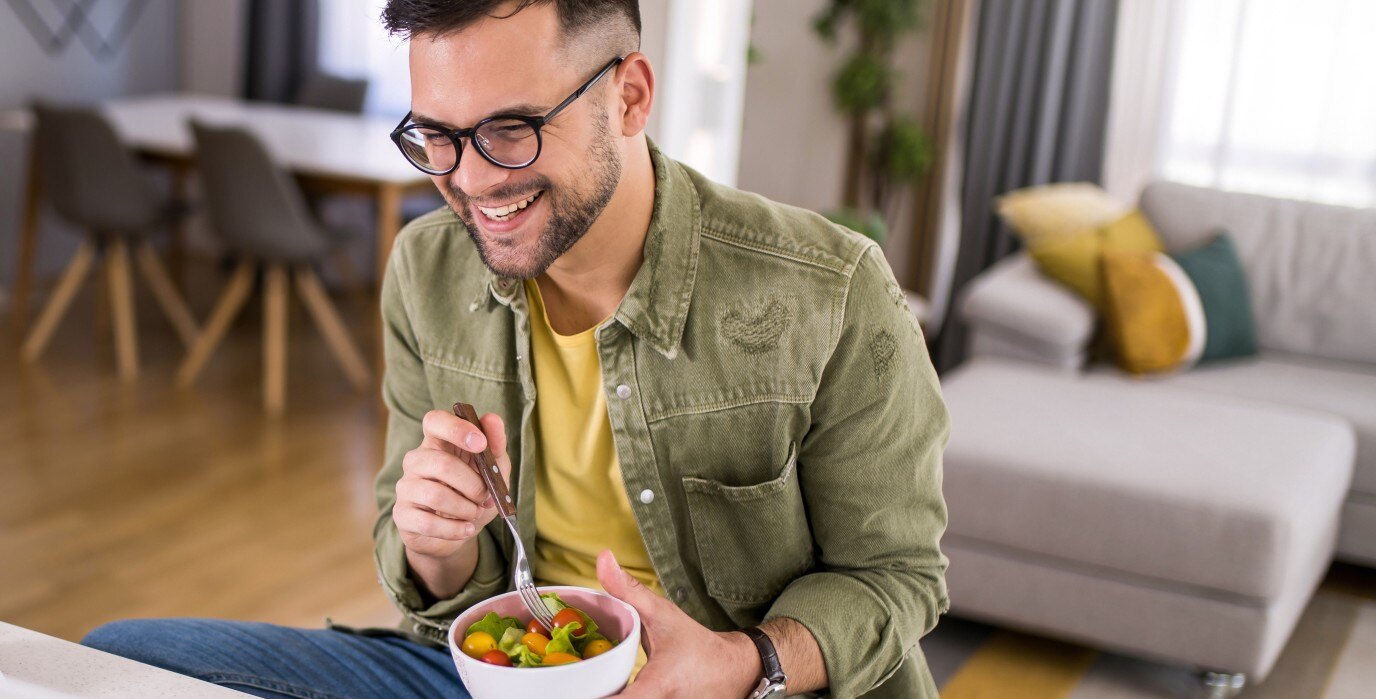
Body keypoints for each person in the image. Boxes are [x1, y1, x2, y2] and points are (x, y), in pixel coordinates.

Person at [83, 1, 950, 696]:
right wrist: (435, 539)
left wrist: (744, 663)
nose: (470, 179)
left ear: (631, 96)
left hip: (750, 686)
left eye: (510, 130)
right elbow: (437, 580)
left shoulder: (829, 290)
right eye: (438, 136)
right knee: (113, 659)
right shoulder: (426, 268)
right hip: (506, 673)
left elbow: (897, 577)